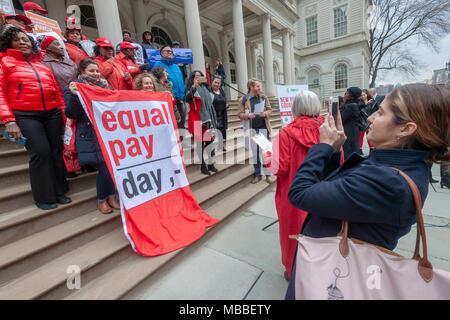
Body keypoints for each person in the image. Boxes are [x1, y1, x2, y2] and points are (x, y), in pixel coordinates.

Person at [285, 84, 449, 299]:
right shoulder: (394, 163)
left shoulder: (390, 182)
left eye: (380, 113)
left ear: (406, 129)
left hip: (339, 276)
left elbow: (300, 193)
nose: (370, 118)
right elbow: (338, 189)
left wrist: (323, 146)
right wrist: (334, 150)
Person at [0, 27, 70, 210]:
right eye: (17, 40)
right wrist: (9, 121)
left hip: (52, 113)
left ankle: (60, 191)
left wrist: (64, 117)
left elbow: (57, 93)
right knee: (40, 152)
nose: (23, 42)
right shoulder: (4, 62)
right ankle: (44, 197)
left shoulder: (42, 65)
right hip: (25, 115)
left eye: (26, 39)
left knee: (56, 151)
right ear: (9, 43)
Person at [263, 90, 325, 281]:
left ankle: (293, 271)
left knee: (293, 235)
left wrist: (266, 154)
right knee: (321, 234)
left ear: (295, 108)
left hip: (294, 194)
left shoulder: (286, 134)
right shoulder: (327, 130)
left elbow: (279, 168)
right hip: (323, 193)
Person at [64, 59, 120, 214]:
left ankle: (111, 196)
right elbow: (71, 113)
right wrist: (76, 96)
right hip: (90, 133)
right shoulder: (73, 88)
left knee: (110, 166)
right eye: (91, 71)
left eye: (97, 71)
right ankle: (103, 199)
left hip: (107, 131)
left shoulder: (105, 86)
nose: (95, 74)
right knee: (104, 167)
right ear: (82, 72)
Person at [238, 78, 273, 184]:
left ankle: (268, 174)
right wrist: (248, 115)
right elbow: (240, 115)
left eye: (259, 86)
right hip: (252, 130)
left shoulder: (263, 97)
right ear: (251, 87)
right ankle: (258, 175)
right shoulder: (243, 100)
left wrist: (265, 114)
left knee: (266, 153)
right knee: (255, 154)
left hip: (263, 128)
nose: (259, 88)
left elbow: (270, 109)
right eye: (257, 86)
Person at [185, 70, 219, 175]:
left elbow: (211, 105)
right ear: (192, 78)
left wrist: (214, 118)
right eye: (196, 77)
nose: (198, 78)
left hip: (208, 120)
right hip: (197, 120)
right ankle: (203, 166)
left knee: (209, 142)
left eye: (200, 76)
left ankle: (211, 164)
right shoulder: (191, 89)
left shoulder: (206, 89)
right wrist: (194, 86)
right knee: (200, 143)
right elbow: (188, 99)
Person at [153, 45, 186, 129]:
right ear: (161, 53)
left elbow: (181, 80)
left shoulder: (176, 66)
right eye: (167, 51)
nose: (169, 52)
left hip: (181, 98)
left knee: (181, 123)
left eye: (170, 51)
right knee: (172, 125)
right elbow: (156, 82)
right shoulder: (158, 65)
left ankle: (180, 141)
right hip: (169, 99)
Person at [340, 87, 362, 160]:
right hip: (351, 130)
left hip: (350, 131)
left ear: (351, 95)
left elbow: (341, 118)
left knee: (349, 150)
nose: (344, 95)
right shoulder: (351, 104)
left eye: (346, 93)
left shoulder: (352, 106)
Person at [210, 75, 228, 150]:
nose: (217, 84)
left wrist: (226, 105)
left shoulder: (222, 91)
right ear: (212, 82)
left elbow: (224, 100)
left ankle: (221, 146)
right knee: (212, 131)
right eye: (215, 82)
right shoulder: (209, 91)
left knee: (221, 130)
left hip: (222, 114)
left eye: (218, 83)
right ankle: (210, 148)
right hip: (213, 115)